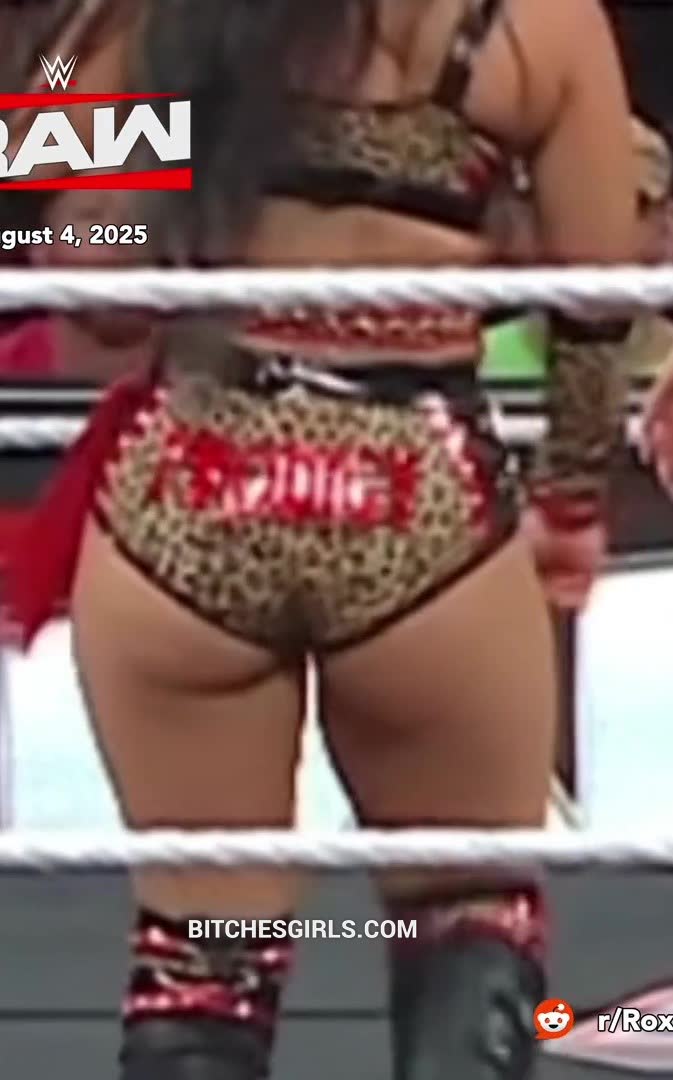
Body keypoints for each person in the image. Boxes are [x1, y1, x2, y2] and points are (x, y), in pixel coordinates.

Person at [1, 1, 637, 1078]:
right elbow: (595, 301)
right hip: (419, 512)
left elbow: (53, 233)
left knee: (202, 955)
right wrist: (570, 500)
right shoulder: (537, 25)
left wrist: (172, 179)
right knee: (466, 920)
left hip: (191, 505)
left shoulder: (163, 18)